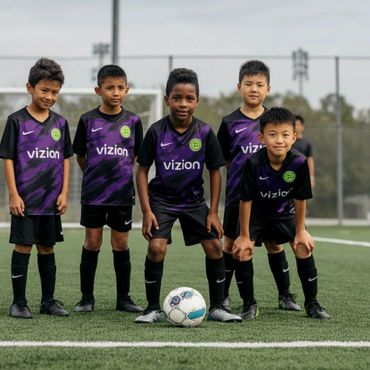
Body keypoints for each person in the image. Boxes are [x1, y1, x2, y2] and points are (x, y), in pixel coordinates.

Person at [134, 68, 242, 323]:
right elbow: (141, 170)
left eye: (189, 98)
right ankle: (151, 308)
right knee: (156, 247)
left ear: (197, 101)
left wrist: (214, 211)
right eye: (177, 97)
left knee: (215, 245)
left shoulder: (204, 132)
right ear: (167, 99)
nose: (183, 104)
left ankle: (218, 307)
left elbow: (216, 171)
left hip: (194, 201)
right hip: (162, 201)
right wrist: (147, 211)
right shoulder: (156, 132)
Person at [217, 60, 299, 320]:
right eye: (249, 84)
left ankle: (285, 295)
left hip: (272, 200)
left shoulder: (274, 121)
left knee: (276, 245)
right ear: (239, 86)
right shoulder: (229, 122)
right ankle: (227, 298)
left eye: (260, 84)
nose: (254, 89)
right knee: (231, 244)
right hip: (238, 198)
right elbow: (225, 160)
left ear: (268, 89)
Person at [232, 107, 330, 319]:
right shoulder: (253, 163)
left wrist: (301, 230)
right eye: (272, 134)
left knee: (303, 246)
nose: (279, 140)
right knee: (243, 250)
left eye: (285, 135)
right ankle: (249, 304)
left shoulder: (299, 162)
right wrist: (244, 235)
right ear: (261, 138)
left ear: (294, 138)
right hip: (258, 214)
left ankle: (311, 304)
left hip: (285, 213)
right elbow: (245, 200)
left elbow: (300, 198)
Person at [0, 58, 72, 318]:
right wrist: (13, 194)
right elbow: (7, 158)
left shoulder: (60, 124)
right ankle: (19, 303)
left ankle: (48, 301)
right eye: (44, 90)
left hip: (51, 200)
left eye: (55, 92)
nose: (50, 96)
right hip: (25, 200)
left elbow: (66, 158)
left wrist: (64, 192)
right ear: (30, 87)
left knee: (47, 248)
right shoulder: (16, 120)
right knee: (22, 247)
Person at [72, 65, 143, 313]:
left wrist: (118, 175)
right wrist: (96, 175)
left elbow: (134, 156)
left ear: (127, 90)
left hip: (121, 194)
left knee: (120, 244)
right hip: (94, 193)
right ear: (98, 90)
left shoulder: (133, 121)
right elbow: (80, 156)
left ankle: (123, 299)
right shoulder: (88, 120)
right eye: (109, 87)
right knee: (92, 242)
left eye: (120, 88)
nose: (115, 92)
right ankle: (86, 299)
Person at [293, 115, 315, 190]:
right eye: (294, 124)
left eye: (298, 125)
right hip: (289, 175)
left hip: (302, 175)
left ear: (302, 127)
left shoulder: (306, 143)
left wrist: (311, 178)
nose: (296, 127)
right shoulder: (287, 142)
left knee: (301, 199)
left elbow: (310, 160)